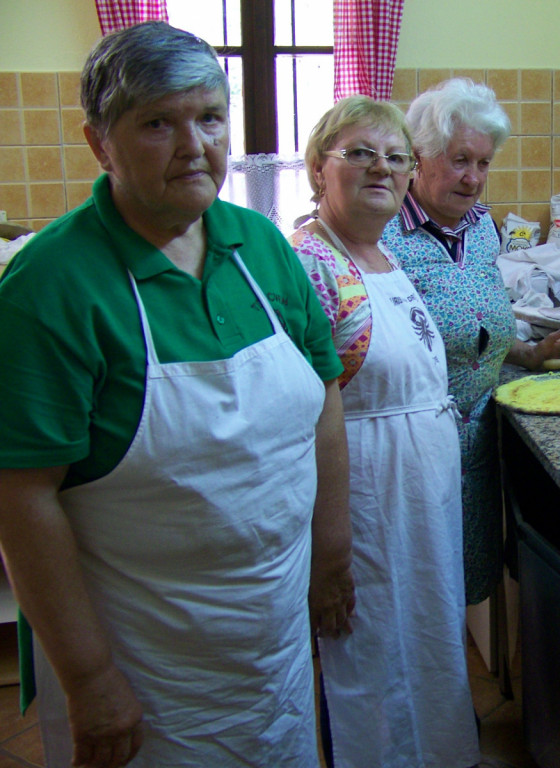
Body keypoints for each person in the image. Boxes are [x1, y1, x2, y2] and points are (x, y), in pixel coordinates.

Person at [0, 22, 354, 768]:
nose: (195, 145)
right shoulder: (50, 288)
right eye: (158, 123)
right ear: (101, 142)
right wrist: (91, 679)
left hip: (271, 637)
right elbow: (20, 497)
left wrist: (331, 552)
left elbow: (323, 401)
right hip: (147, 661)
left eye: (210, 117)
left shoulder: (261, 246)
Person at [290, 96, 479, 767]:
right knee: (371, 658)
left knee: (424, 642)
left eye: (396, 158)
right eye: (361, 154)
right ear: (319, 169)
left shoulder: (378, 254)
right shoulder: (311, 263)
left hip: (415, 504)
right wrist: (330, 550)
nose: (383, 168)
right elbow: (306, 419)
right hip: (364, 501)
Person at [381, 78, 560, 605]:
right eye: (461, 160)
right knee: (404, 607)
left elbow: (477, 335)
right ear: (420, 157)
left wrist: (533, 353)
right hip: (407, 461)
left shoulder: (482, 227)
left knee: (456, 598)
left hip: (474, 453)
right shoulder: (382, 233)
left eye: (484, 163)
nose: (474, 178)